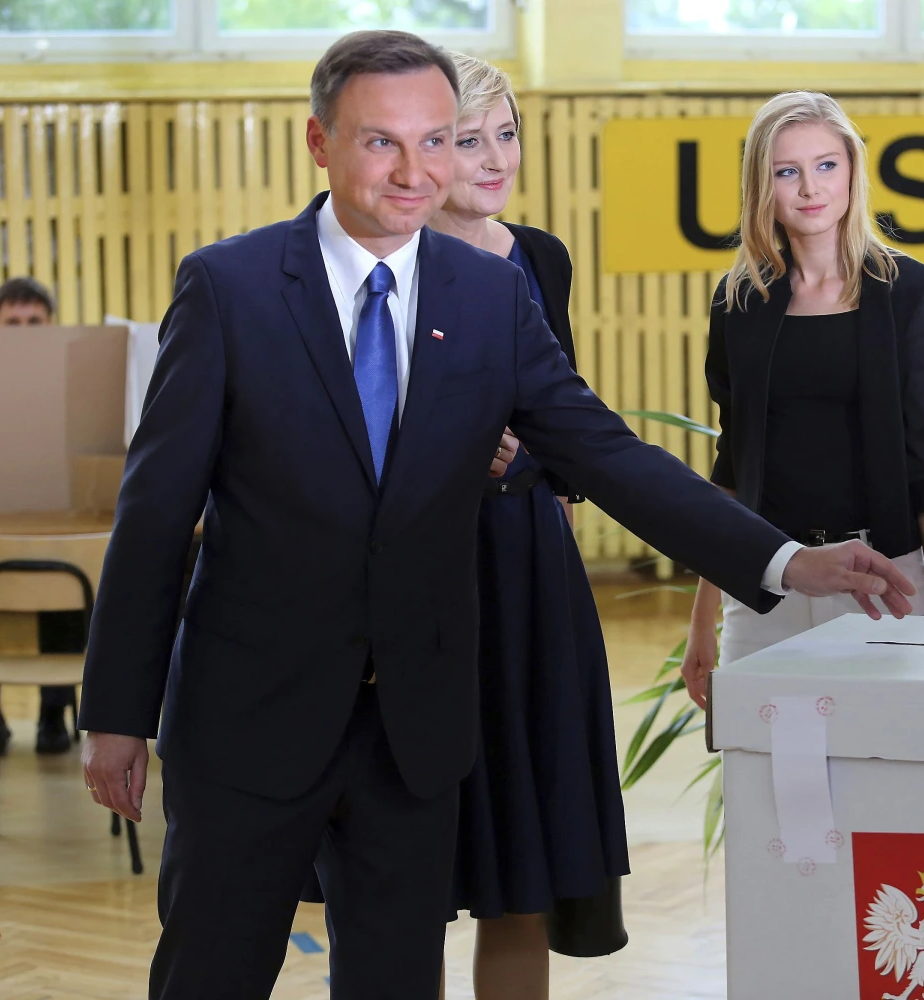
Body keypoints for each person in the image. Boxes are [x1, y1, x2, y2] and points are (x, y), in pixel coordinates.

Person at [77, 32, 915, 1000]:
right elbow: (153, 514)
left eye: (435, 141)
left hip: (417, 726)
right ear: (319, 141)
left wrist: (783, 563)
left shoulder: (487, 294)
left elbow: (607, 454)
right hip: (250, 721)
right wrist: (114, 715)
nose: (413, 170)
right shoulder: (230, 288)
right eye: (381, 142)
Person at [299, 55, 629, 999]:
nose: (491, 159)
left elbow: (572, 438)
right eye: (466, 138)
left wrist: (519, 459)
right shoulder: (374, 262)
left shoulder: (541, 258)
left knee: (519, 861)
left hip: (528, 570)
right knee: (409, 862)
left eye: (505, 134)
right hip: (417, 573)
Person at [681, 91, 924, 711]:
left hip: (883, 584)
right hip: (765, 582)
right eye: (787, 171)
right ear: (763, 187)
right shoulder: (740, 300)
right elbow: (732, 465)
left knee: (885, 794)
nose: (809, 188)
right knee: (763, 796)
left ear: (852, 173)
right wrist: (703, 617)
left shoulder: (911, 292)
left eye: (826, 165)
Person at [0, 277, 78, 756]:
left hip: (61, 524)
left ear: (52, 327)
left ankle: (54, 710)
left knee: (76, 575)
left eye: (34, 323)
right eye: (13, 324)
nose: (24, 332)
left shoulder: (79, 382)